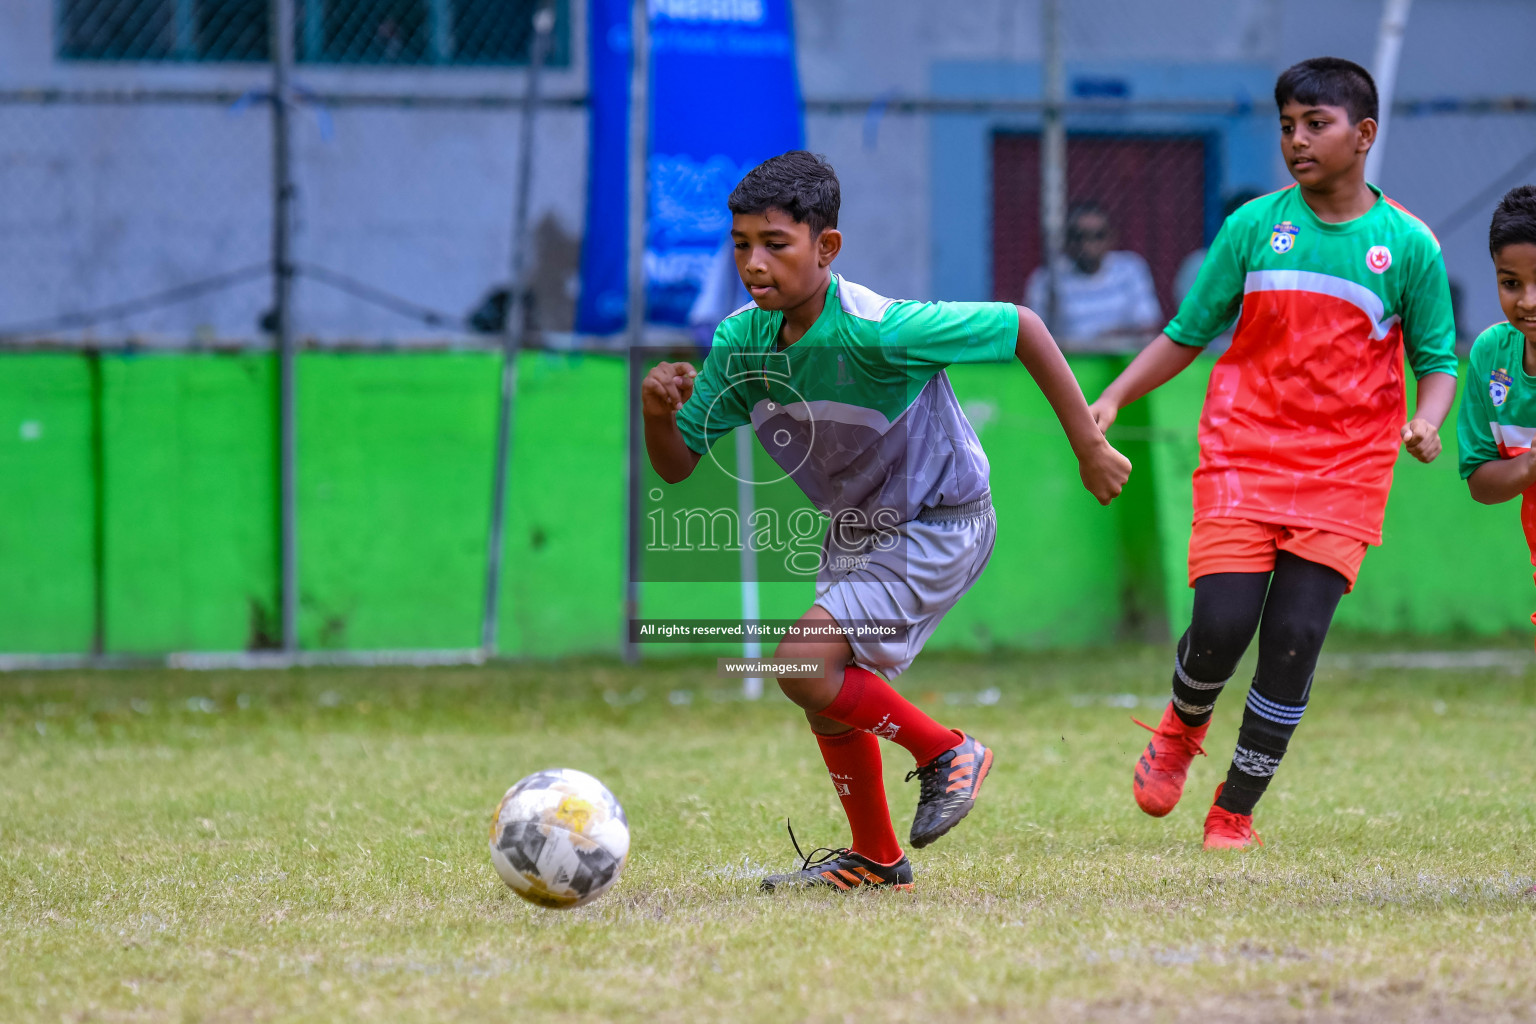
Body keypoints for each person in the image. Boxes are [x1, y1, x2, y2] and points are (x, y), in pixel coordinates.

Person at [641, 151, 1131, 890]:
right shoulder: (741, 345)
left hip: (941, 519)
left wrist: (1089, 445)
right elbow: (677, 464)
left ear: (825, 248)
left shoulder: (880, 330)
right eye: (741, 244)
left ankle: (946, 752)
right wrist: (655, 412)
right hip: (858, 533)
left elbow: (1024, 325)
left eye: (775, 244)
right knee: (824, 679)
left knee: (802, 663)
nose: (753, 262)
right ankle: (875, 858)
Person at [1087, 57, 1458, 849]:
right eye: (1286, 125)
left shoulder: (1410, 246)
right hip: (1243, 450)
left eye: (1315, 124)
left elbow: (1439, 360)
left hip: (1345, 471)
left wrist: (1428, 421)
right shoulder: (1253, 226)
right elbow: (1187, 333)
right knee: (1220, 623)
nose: (1296, 139)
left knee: (1293, 639)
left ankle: (1235, 810)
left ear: (1364, 135)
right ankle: (1182, 729)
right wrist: (1114, 396)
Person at [1456, 185, 1536, 640]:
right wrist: (1529, 465)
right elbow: (1482, 484)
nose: (1527, 300)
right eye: (1511, 283)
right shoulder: (1491, 355)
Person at [1025, 202, 1163, 344]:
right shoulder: (1047, 279)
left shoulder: (1130, 269)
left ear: (1111, 238)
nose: (1088, 244)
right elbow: (1034, 335)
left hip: (1122, 357)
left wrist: (1110, 339)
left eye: (1098, 236)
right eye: (1080, 236)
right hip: (1070, 360)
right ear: (1068, 240)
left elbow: (1148, 326)